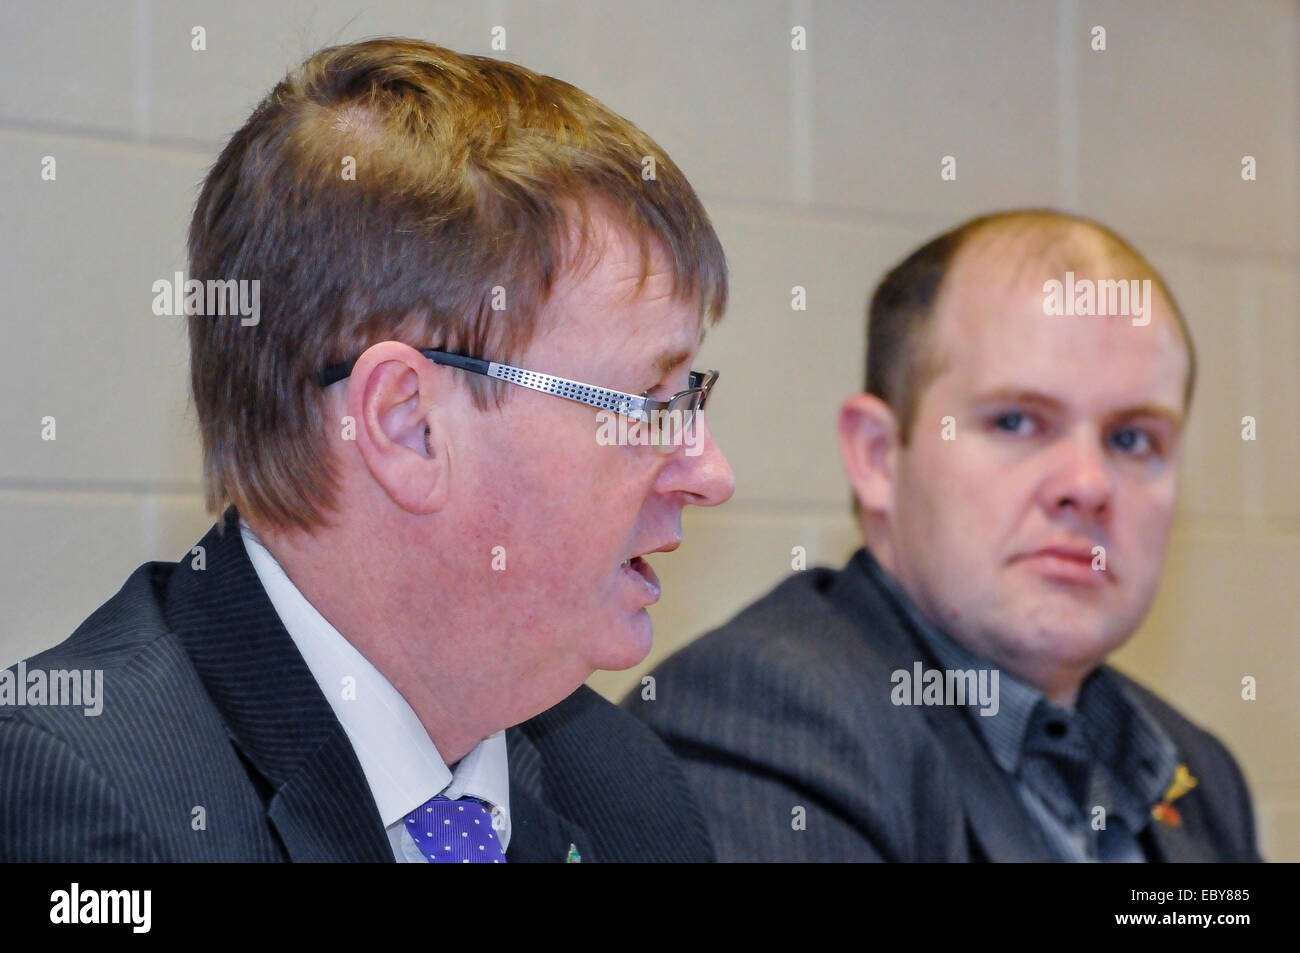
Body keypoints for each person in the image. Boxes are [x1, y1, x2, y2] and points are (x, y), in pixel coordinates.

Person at [0, 37, 735, 863]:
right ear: (405, 426)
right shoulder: (81, 796)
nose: (711, 473)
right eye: (646, 403)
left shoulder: (621, 785)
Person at [627, 209, 1262, 862]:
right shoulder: (763, 717)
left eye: (1133, 438)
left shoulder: (1198, 772)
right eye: (1018, 421)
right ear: (877, 456)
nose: (1088, 483)